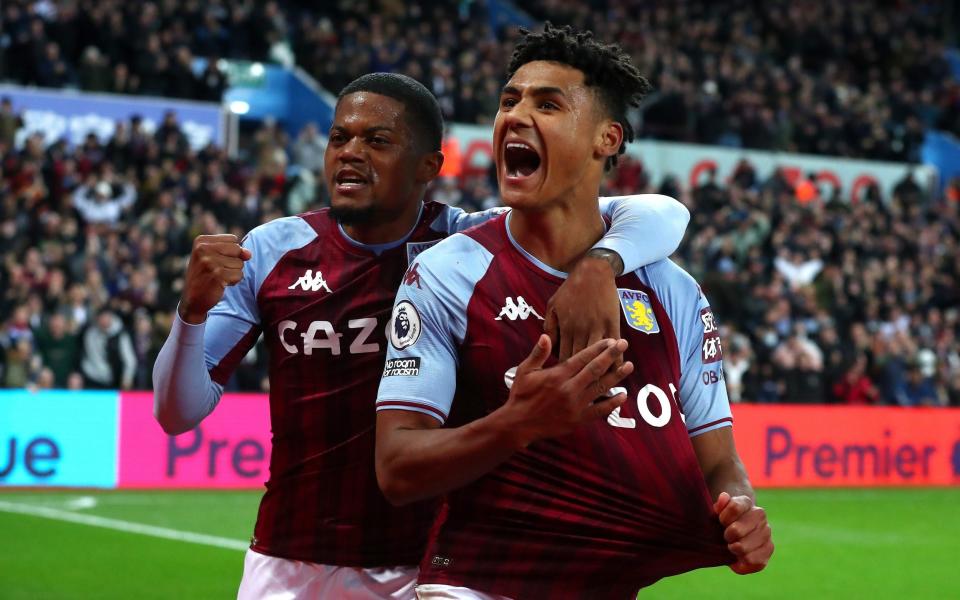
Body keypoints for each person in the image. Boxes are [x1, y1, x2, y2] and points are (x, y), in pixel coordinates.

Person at [153, 72, 691, 599]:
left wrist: (602, 261)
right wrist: (191, 313)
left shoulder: (463, 244)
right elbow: (177, 414)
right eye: (340, 137)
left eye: (377, 141)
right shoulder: (272, 250)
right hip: (287, 563)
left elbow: (661, 211)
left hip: (428, 569)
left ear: (428, 166)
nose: (350, 152)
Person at [376, 25, 773, 599]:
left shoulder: (675, 292)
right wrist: (518, 423)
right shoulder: (449, 271)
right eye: (509, 100)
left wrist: (741, 513)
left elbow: (719, 465)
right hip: (478, 583)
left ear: (606, 138)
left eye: (548, 104)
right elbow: (396, 467)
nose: (514, 115)